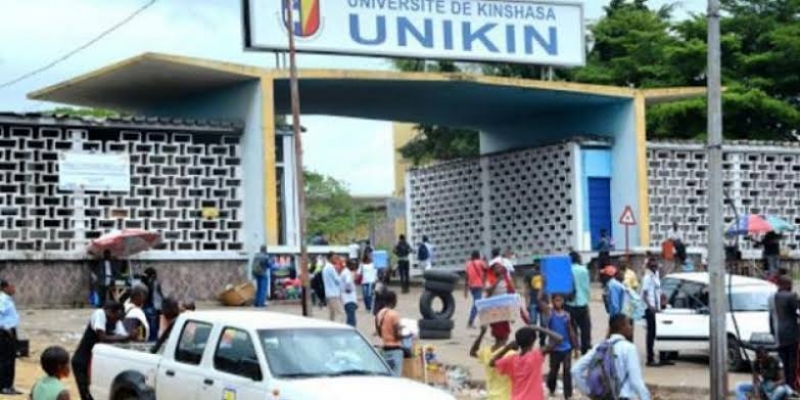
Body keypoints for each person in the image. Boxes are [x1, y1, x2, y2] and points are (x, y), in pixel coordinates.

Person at [573, 314, 651, 400]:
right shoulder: (629, 348)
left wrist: (588, 392)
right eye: (629, 324)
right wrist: (645, 397)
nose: (631, 327)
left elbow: (575, 370)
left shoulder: (600, 347)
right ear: (621, 326)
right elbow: (636, 381)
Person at [73, 301, 133, 400]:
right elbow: (103, 337)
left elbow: (123, 338)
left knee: (94, 393)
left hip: (94, 362)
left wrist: (130, 337)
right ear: (110, 311)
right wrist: (125, 337)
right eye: (116, 317)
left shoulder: (116, 321)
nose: (117, 321)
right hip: (82, 361)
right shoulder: (99, 314)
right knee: (86, 393)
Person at [489, 325, 564, 400]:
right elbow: (559, 339)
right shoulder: (536, 356)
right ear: (533, 340)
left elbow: (491, 363)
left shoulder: (511, 360)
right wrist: (539, 328)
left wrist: (507, 348)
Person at [470, 325, 514, 400]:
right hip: (505, 397)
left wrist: (482, 334)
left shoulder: (486, 351)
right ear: (507, 335)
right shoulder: (511, 354)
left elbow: (473, 352)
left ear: (493, 334)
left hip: (490, 395)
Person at [546, 294, 578, 399]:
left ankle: (568, 394)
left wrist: (575, 346)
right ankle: (551, 388)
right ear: (553, 301)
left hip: (566, 347)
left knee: (567, 370)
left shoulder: (566, 315)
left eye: (560, 300)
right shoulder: (551, 314)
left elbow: (570, 331)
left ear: (563, 301)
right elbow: (546, 327)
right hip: (554, 348)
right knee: (553, 371)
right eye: (556, 300)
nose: (558, 303)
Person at [770, 276, 799, 389]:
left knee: (782, 362)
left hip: (778, 334)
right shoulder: (791, 296)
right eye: (790, 284)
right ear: (786, 285)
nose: (791, 286)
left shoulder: (771, 297)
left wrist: (773, 332)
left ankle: (784, 384)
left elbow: (770, 317)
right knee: (792, 362)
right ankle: (791, 386)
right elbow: (798, 311)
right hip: (791, 334)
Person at [641, 258, 670, 367]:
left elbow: (658, 291)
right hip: (650, 309)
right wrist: (651, 307)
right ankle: (650, 359)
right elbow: (644, 295)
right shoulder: (647, 278)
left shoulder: (656, 276)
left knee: (661, 332)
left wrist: (663, 299)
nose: (654, 268)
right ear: (649, 267)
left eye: (655, 266)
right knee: (651, 334)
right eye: (652, 266)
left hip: (658, 309)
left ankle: (663, 357)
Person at [568, 252, 592, 355]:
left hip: (570, 303)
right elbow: (587, 287)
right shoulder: (584, 270)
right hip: (582, 302)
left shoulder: (567, 269)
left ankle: (574, 348)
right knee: (585, 327)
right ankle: (585, 348)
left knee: (571, 328)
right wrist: (587, 299)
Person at [376, 290, 403, 376]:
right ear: (393, 301)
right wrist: (406, 334)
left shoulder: (379, 314)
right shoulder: (394, 314)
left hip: (384, 348)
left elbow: (379, 332)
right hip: (395, 349)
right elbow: (397, 335)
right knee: (395, 376)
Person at [523, 259, 549, 348]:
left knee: (544, 324)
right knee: (532, 323)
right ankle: (531, 341)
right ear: (533, 263)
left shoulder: (546, 272)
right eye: (536, 262)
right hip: (533, 301)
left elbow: (550, 287)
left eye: (539, 262)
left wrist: (550, 302)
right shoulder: (529, 273)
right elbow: (526, 288)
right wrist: (527, 302)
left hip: (544, 301)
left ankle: (542, 342)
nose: (538, 264)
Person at [0, 279, 20, 395]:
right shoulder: (2, 299)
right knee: (6, 360)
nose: (14, 289)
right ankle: (4, 386)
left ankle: (8, 385)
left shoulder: (7, 299)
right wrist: (5, 328)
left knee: (10, 359)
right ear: (5, 288)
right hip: (5, 333)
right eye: (12, 286)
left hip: (9, 331)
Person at [464, 250, 486, 328]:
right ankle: (470, 322)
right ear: (478, 255)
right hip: (478, 285)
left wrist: (465, 290)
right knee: (477, 304)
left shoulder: (468, 264)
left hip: (471, 286)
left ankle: (480, 320)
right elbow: (486, 269)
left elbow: (466, 277)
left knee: (477, 302)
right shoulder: (480, 262)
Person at [142, 268, 164, 342]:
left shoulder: (145, 282)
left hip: (149, 306)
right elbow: (159, 295)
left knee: (151, 323)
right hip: (153, 306)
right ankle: (153, 339)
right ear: (153, 275)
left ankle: (152, 338)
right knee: (154, 324)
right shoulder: (154, 283)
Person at [322, 252, 344, 322]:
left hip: (328, 294)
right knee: (341, 313)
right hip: (333, 294)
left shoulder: (325, 268)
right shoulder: (331, 267)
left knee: (332, 315)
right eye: (334, 258)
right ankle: (338, 327)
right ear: (330, 258)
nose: (336, 259)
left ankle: (330, 327)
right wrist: (340, 271)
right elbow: (338, 280)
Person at [341, 261, 359, 327]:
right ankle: (351, 329)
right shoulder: (347, 273)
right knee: (351, 318)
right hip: (349, 299)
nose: (355, 267)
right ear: (350, 265)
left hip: (346, 298)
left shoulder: (345, 272)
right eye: (354, 265)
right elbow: (348, 282)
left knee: (350, 316)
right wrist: (348, 289)